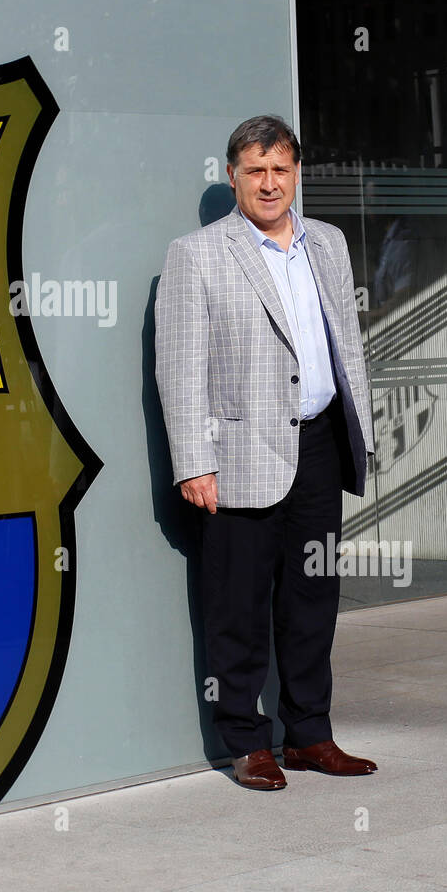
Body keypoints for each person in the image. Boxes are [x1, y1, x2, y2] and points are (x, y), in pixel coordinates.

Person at [155, 115, 377, 790]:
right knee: (237, 606)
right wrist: (193, 460)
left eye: (281, 169)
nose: (269, 183)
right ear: (233, 178)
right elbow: (180, 365)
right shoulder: (198, 253)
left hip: (318, 445)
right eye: (255, 171)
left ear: (297, 173)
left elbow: (345, 344)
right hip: (239, 453)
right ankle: (245, 742)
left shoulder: (329, 244)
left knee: (313, 600)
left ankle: (310, 734)